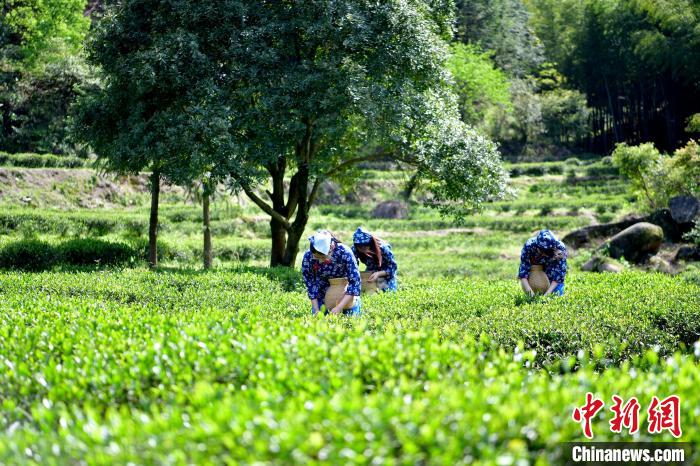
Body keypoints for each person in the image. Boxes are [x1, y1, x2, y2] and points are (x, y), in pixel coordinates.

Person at [301, 230, 362, 316]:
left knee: (350, 321)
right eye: (316, 258)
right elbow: (310, 283)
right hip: (322, 292)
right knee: (319, 322)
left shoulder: (344, 252)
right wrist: (316, 309)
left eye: (322, 257)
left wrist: (339, 307)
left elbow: (355, 283)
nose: (320, 261)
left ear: (331, 249)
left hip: (345, 293)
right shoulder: (309, 255)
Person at [517, 229, 567, 296]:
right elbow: (523, 272)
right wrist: (530, 293)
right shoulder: (529, 246)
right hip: (536, 268)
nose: (543, 255)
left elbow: (559, 274)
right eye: (541, 251)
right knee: (534, 290)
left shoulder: (560, 249)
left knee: (556, 295)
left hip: (551, 266)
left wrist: (547, 294)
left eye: (546, 252)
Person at [351, 227, 398, 292]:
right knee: (365, 293)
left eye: (365, 245)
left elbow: (393, 267)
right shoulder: (355, 249)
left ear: (370, 243)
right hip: (371, 273)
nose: (362, 249)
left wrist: (379, 274)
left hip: (386, 273)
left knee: (388, 293)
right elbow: (353, 266)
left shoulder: (383, 248)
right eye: (359, 247)